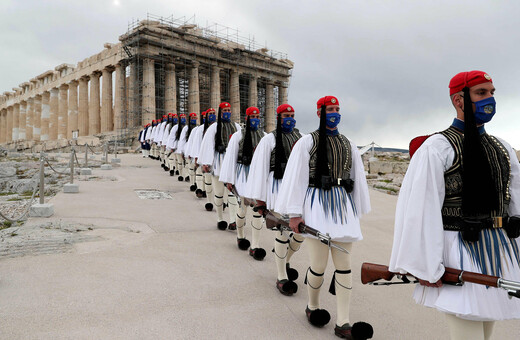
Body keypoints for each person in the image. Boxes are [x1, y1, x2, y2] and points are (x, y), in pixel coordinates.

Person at [389, 71, 520, 340]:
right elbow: (420, 208)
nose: (490, 99)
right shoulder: (437, 147)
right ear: (459, 100)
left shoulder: (502, 147)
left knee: (485, 329)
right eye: (481, 93)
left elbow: (515, 199)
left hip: (499, 248)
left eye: (492, 93)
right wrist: (426, 265)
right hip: (459, 249)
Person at [275, 96, 371, 339]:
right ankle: (313, 306)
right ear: (320, 112)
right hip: (317, 204)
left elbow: (356, 177)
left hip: (342, 207)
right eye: (330, 109)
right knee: (318, 265)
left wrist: (357, 210)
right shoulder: (308, 141)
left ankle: (344, 321)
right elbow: (297, 178)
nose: (335, 113)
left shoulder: (349, 143)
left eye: (337, 109)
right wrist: (295, 214)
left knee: (345, 267)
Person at [245, 103, 304, 291]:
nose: (290, 118)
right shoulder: (269, 140)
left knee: (300, 233)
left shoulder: (301, 137)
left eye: (292, 115)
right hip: (276, 189)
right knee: (282, 231)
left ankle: (285, 260)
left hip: (295, 189)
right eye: (286, 115)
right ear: (278, 117)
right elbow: (260, 170)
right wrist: (260, 200)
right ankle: (281, 276)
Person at [220, 106, 266, 259]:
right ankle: (240, 235)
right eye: (253, 117)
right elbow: (230, 158)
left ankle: (255, 244)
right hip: (243, 174)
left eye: (258, 117)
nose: (256, 120)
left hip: (257, 174)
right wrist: (229, 180)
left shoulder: (264, 136)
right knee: (244, 207)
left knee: (258, 210)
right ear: (247, 118)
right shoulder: (237, 136)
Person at [199, 102, 241, 230]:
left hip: (232, 163)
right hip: (219, 162)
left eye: (229, 110)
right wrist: (206, 162)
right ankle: (220, 218)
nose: (227, 112)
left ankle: (233, 220)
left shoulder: (237, 127)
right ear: (220, 112)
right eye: (225, 110)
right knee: (218, 193)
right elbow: (208, 146)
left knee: (233, 192)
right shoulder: (214, 127)